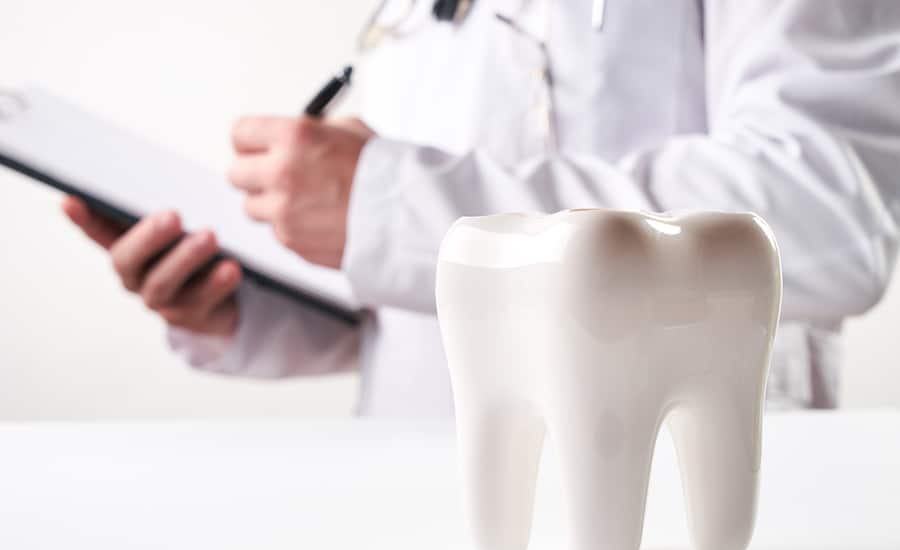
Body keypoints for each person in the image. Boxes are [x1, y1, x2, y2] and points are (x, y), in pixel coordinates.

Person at [63, 0, 900, 416]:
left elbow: (824, 211)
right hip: (410, 504)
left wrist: (393, 202)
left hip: (667, 513)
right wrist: (239, 303)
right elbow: (422, 291)